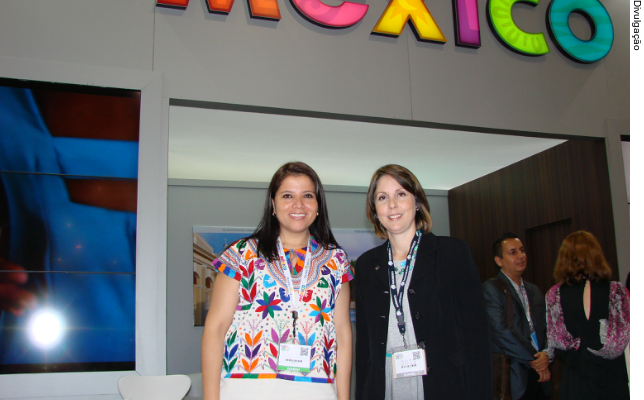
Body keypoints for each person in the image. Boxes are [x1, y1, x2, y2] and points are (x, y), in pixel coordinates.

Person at [201, 162, 353, 400]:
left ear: (318, 205)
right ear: (273, 204)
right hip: (246, 390)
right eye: (287, 195)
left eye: (308, 196)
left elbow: (342, 334)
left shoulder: (336, 260)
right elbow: (215, 329)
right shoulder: (241, 254)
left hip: (316, 390)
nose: (298, 204)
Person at [354, 164, 492, 400]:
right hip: (386, 386)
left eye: (401, 194)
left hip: (444, 386)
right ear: (374, 209)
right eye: (382, 197)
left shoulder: (452, 253)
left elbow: (477, 337)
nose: (392, 205)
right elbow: (365, 345)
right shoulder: (367, 265)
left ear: (416, 202)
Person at [546, 231, 630, 400]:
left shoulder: (554, 295)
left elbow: (558, 343)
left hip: (576, 381)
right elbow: (622, 338)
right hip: (612, 379)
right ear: (596, 255)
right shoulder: (617, 291)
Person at [482, 233, 552, 400]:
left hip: (541, 372)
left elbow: (547, 327)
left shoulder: (533, 290)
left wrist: (546, 354)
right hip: (516, 373)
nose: (521, 256)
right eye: (513, 252)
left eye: (522, 250)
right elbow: (500, 331)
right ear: (499, 260)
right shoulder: (491, 288)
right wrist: (535, 359)